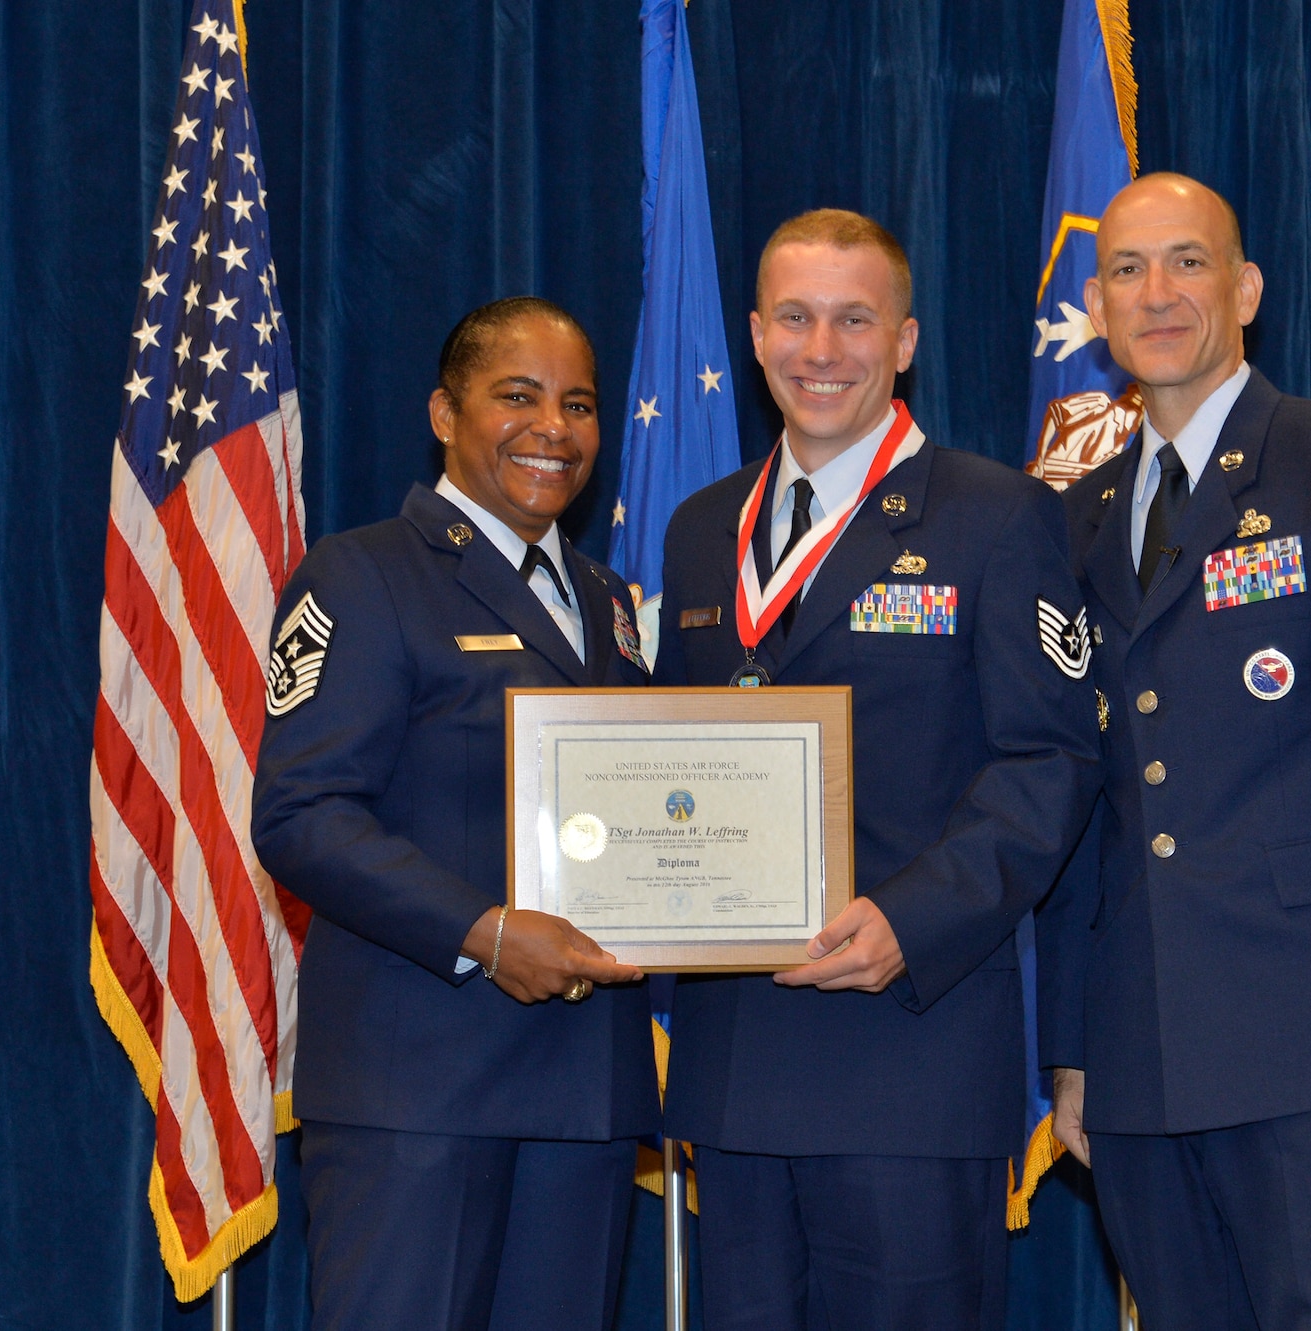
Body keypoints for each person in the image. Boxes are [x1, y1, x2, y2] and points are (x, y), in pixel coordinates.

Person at [1037, 173, 1311, 1328]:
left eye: (1188, 262)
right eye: (1128, 270)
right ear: (1094, 306)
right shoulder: (1075, 518)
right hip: (1141, 1044)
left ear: (1244, 288)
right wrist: (1075, 1046)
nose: (1158, 292)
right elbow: (1082, 797)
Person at [652, 209, 1102, 1331]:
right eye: (795, 318)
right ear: (753, 336)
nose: (821, 349)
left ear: (903, 340)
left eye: (854, 320)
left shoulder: (997, 516)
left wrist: (913, 917)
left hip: (912, 1048)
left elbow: (1048, 760)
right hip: (735, 1064)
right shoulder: (700, 528)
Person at [251, 297, 657, 1331]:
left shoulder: (608, 599)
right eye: (516, 396)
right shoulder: (364, 574)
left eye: (577, 403)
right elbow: (300, 810)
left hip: (583, 1099)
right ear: (444, 412)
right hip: (416, 1096)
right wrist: (486, 932)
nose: (553, 428)